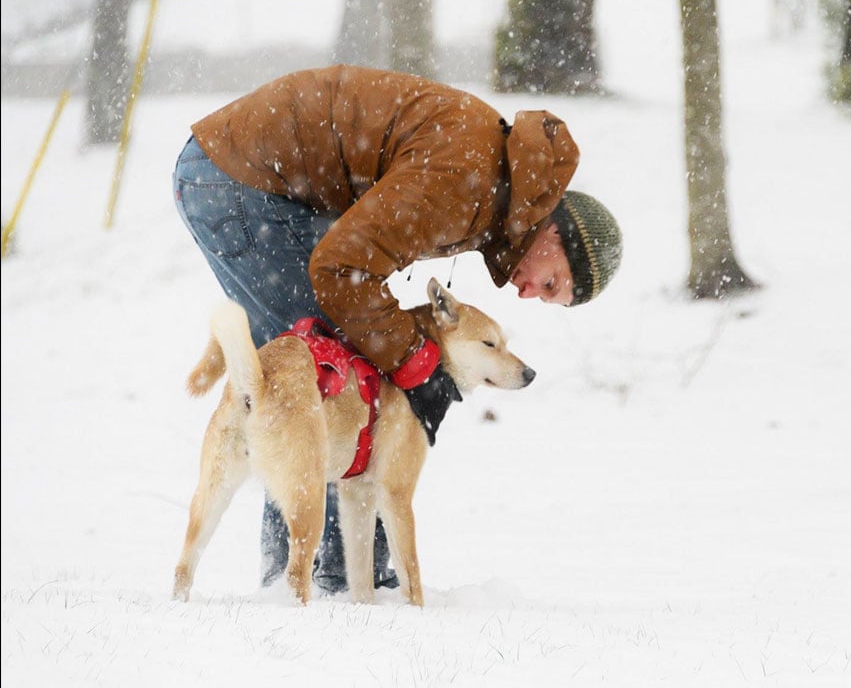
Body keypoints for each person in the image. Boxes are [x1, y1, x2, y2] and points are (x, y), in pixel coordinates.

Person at [173, 65, 622, 593]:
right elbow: (343, 271)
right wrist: (416, 362)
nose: (529, 295)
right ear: (556, 233)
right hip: (239, 177)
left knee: (308, 369)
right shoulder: (468, 181)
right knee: (327, 364)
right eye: (550, 285)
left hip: (241, 171)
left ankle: (308, 574)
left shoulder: (495, 183)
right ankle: (330, 578)